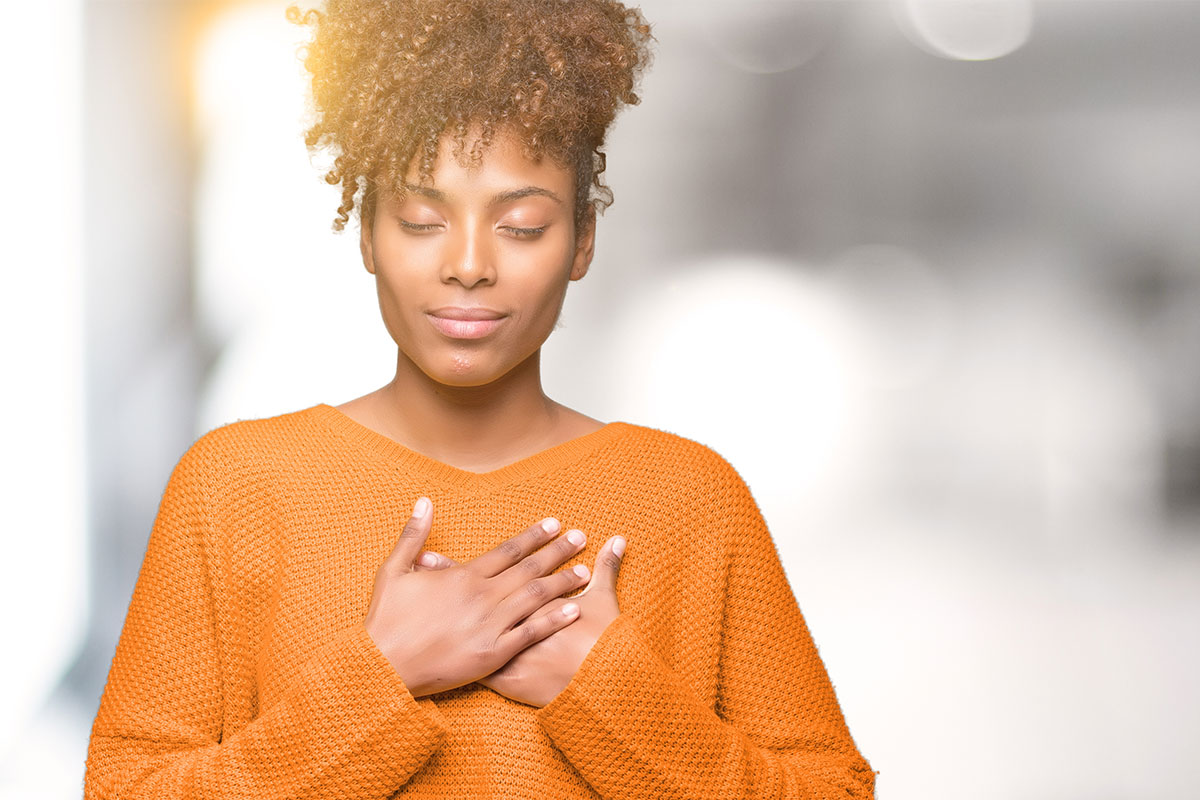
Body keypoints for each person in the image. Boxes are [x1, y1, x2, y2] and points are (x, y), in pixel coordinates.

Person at [84, 0, 876, 797]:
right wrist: (381, 676)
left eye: (523, 225)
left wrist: (605, 690)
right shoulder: (235, 489)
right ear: (365, 235)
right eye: (423, 220)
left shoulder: (692, 501)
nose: (468, 263)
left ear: (582, 242)